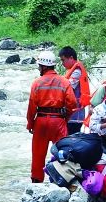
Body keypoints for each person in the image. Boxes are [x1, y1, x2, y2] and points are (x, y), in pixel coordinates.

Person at [26, 51, 77, 183]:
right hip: (58, 121)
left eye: (39, 66)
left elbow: (32, 107)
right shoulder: (64, 82)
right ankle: (61, 178)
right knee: (63, 152)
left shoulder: (37, 83)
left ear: (43, 66)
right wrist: (65, 118)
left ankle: (36, 181)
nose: (38, 68)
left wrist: (30, 124)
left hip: (41, 121)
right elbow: (72, 104)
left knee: (38, 154)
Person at [59, 46, 91, 134]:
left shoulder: (77, 72)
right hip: (74, 114)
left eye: (63, 60)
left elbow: (66, 88)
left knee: (69, 140)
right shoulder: (73, 70)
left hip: (75, 115)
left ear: (71, 58)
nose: (62, 63)